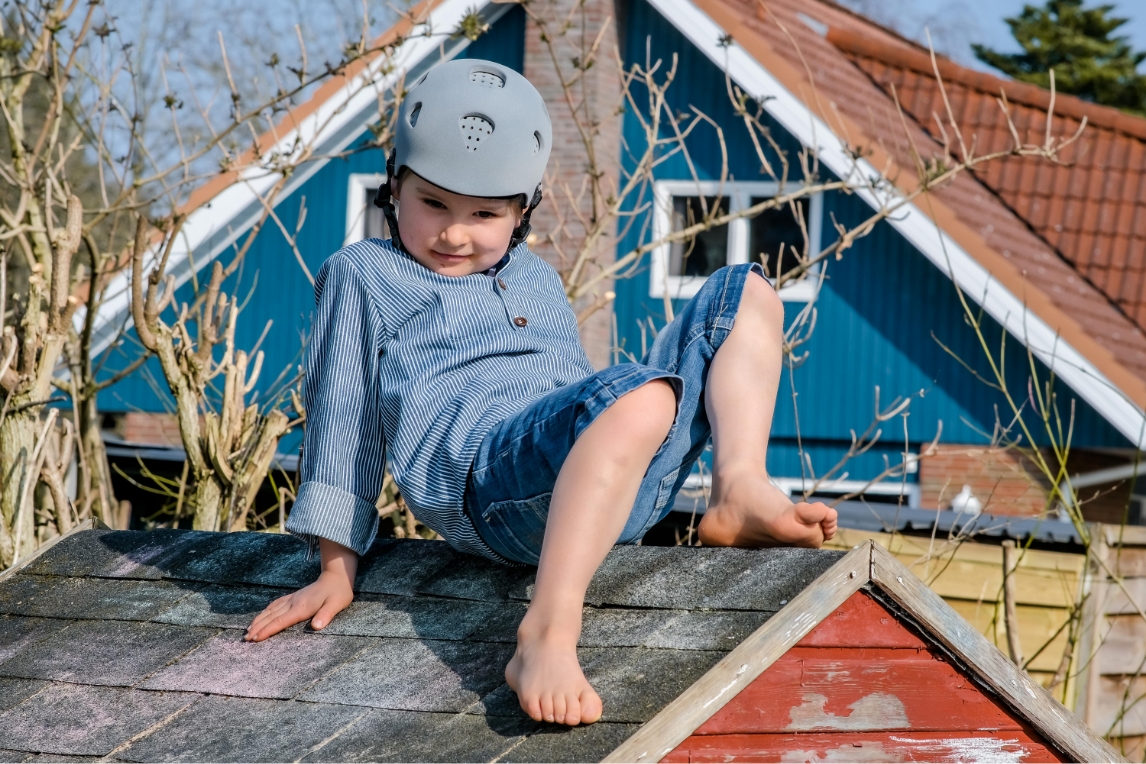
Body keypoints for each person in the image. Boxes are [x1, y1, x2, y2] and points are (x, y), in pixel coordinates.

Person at [244, 58, 837, 727]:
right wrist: (335, 563)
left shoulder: (537, 279)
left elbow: (579, 399)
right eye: (432, 202)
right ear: (394, 185)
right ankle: (547, 635)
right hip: (489, 478)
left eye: (485, 213)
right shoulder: (365, 273)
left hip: (608, 483)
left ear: (523, 212)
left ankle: (738, 488)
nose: (454, 232)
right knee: (634, 396)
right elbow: (342, 412)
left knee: (744, 289)